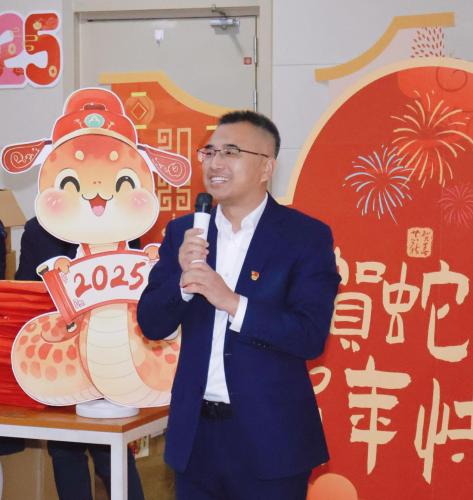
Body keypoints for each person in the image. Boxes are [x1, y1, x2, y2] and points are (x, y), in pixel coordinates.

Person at [137, 110, 341, 499]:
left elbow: (309, 336)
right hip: (196, 438)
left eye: (230, 152)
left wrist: (233, 303)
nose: (215, 163)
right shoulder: (184, 233)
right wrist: (182, 283)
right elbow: (151, 323)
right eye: (209, 152)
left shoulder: (304, 236)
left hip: (271, 440)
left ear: (266, 167)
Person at [15, 217, 145, 500]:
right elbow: (26, 291)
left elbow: (139, 291)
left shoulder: (121, 222)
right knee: (64, 448)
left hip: (109, 351)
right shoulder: (38, 230)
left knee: (112, 452)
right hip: (61, 358)